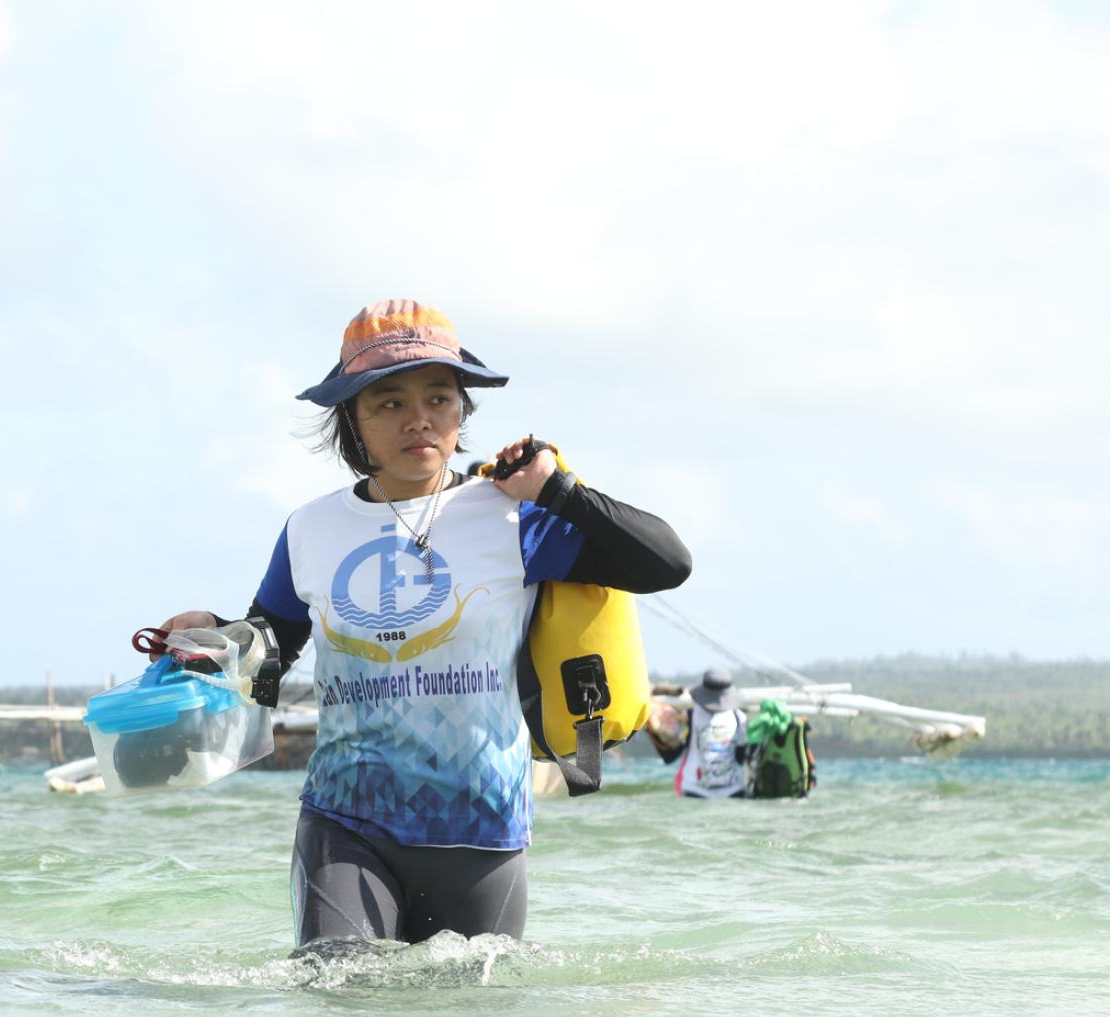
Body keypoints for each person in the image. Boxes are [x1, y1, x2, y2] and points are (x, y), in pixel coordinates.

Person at [158, 298, 691, 948]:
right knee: (338, 998)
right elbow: (270, 652)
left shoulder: (510, 518)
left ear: (462, 410)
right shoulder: (310, 530)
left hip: (481, 827)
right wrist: (211, 639)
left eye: (439, 399)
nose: (420, 420)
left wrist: (559, 492)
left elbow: (667, 562)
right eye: (389, 403)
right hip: (344, 820)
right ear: (352, 420)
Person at [649, 667, 754, 798]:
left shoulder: (738, 718)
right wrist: (654, 730)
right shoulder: (690, 716)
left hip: (724, 793)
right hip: (703, 793)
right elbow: (670, 755)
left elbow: (670, 756)